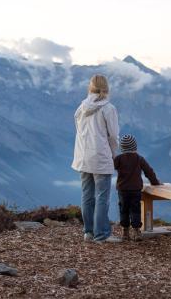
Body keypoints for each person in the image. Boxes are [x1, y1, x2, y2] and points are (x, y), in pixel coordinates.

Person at [72, 74, 120, 243]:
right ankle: (102, 234)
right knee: (102, 197)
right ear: (106, 88)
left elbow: (78, 130)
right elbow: (113, 136)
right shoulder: (108, 108)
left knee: (87, 195)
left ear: (90, 87)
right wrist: (115, 155)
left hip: (83, 157)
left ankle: (88, 232)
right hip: (100, 157)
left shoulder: (81, 107)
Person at [114, 134, 162, 241]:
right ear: (135, 146)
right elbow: (149, 172)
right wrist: (155, 182)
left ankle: (125, 232)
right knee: (135, 210)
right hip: (135, 190)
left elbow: (109, 167)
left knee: (124, 210)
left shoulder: (118, 159)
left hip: (122, 190)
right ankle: (136, 231)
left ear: (121, 147)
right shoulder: (139, 159)